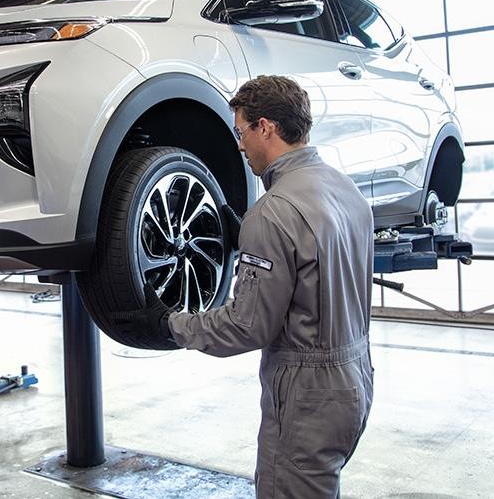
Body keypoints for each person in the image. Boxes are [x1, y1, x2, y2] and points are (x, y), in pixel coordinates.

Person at [115, 75, 374, 498]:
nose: (239, 145)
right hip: (355, 378)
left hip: (306, 397)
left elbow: (247, 326)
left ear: (265, 127)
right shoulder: (347, 192)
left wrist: (169, 324)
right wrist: (251, 246)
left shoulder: (273, 213)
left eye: (241, 132)